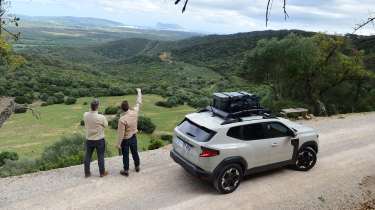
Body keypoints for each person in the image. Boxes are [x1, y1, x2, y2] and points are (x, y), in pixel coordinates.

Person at [117, 88, 142, 177]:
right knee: (135, 152)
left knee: (125, 155)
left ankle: (126, 170)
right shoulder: (134, 112)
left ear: (122, 109)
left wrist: (118, 144)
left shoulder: (122, 119)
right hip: (134, 136)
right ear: (128, 106)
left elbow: (121, 133)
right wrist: (139, 92)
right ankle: (137, 166)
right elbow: (138, 103)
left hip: (126, 139)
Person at [83, 99, 108, 178]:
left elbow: (88, 114)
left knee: (87, 156)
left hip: (89, 139)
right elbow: (106, 125)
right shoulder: (101, 117)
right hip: (99, 139)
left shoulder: (85, 115)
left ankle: (87, 173)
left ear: (90, 106)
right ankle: (102, 173)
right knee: (100, 156)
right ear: (97, 106)